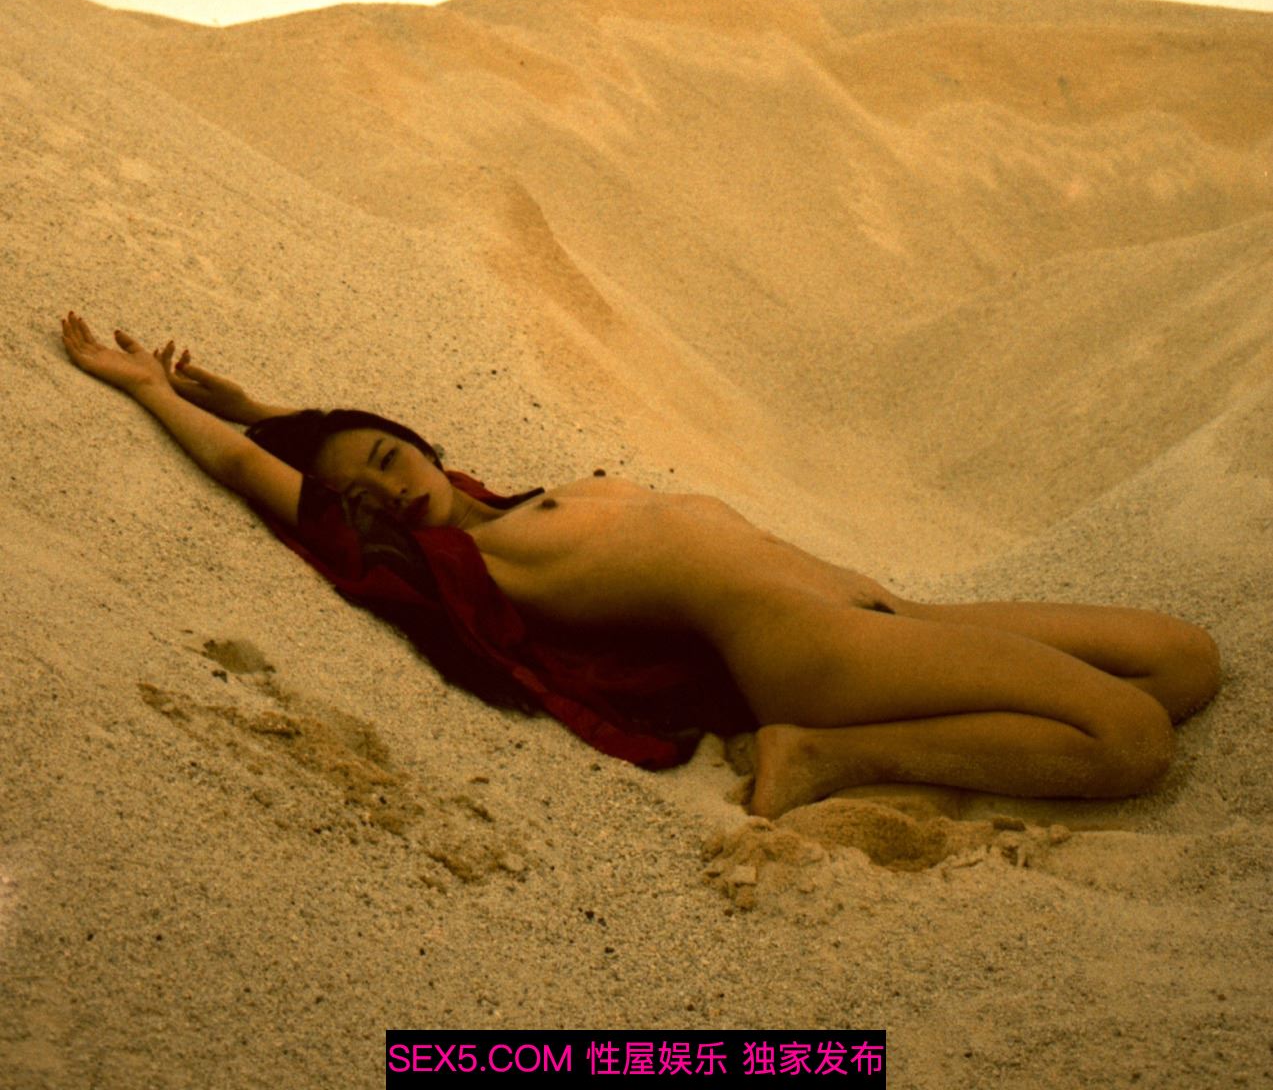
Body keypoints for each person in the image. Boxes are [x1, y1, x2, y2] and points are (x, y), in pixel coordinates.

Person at [58, 311, 1222, 819]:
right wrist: (159, 395)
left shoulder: (495, 496)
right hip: (806, 648)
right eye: (365, 498)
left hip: (878, 604)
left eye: (388, 457)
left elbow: (344, 442)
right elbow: (271, 479)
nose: (389, 488)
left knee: (1181, 663)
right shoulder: (472, 556)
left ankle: (872, 738)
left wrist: (259, 405)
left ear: (415, 438)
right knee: (1129, 741)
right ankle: (826, 756)